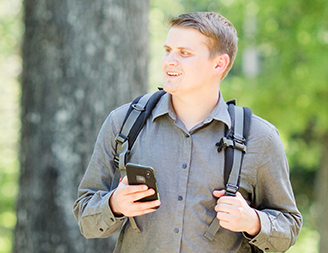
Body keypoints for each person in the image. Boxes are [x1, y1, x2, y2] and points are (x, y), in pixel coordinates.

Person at [73, 12, 302, 252]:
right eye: (168, 50)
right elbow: (85, 217)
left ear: (219, 63)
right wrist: (114, 203)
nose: (169, 61)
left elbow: (289, 227)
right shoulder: (123, 123)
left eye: (184, 53)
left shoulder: (260, 138)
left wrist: (254, 222)